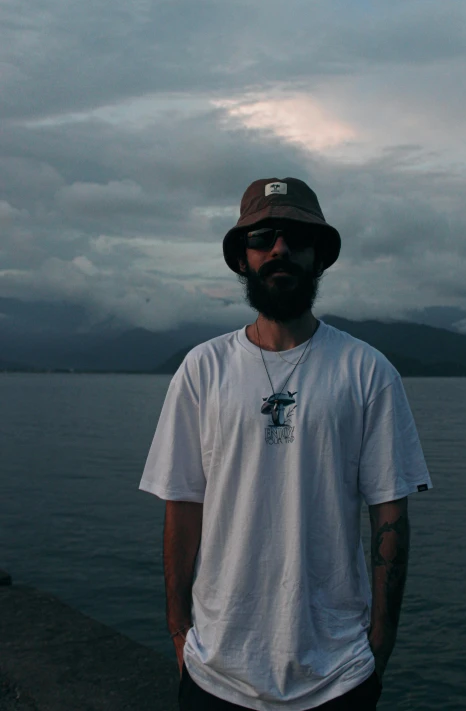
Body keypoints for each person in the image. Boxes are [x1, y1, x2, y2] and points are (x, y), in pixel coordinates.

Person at [139, 177, 433, 711]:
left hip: (338, 675)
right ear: (242, 258)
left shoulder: (367, 372)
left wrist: (379, 645)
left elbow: (390, 512)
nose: (279, 249)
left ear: (318, 256)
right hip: (215, 673)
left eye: (296, 238)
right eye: (263, 237)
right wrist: (179, 632)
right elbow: (182, 507)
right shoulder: (203, 370)